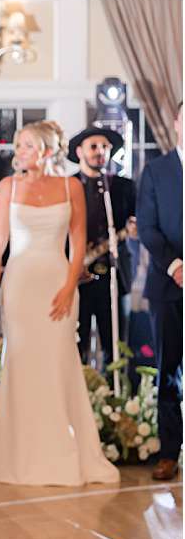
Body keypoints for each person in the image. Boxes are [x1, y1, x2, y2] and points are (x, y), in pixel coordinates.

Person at [0, 121, 118, 487]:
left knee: (58, 364)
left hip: (58, 283)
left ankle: (63, 453)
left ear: (47, 150)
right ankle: (18, 457)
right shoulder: (8, 186)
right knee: (21, 366)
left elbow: (78, 242)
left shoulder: (72, 187)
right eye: (18, 146)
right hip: (20, 285)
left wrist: (70, 286)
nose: (18, 152)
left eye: (25, 146)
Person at [135, 102, 182, 482]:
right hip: (168, 285)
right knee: (168, 371)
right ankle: (169, 452)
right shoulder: (156, 170)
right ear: (177, 122)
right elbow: (148, 228)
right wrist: (176, 266)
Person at [68, 125, 137, 373]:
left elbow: (137, 221)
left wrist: (134, 228)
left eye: (105, 147)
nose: (100, 152)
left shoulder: (124, 187)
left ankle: (115, 406)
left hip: (115, 276)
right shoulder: (68, 186)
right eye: (94, 147)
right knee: (77, 343)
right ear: (79, 151)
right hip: (78, 278)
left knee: (116, 346)